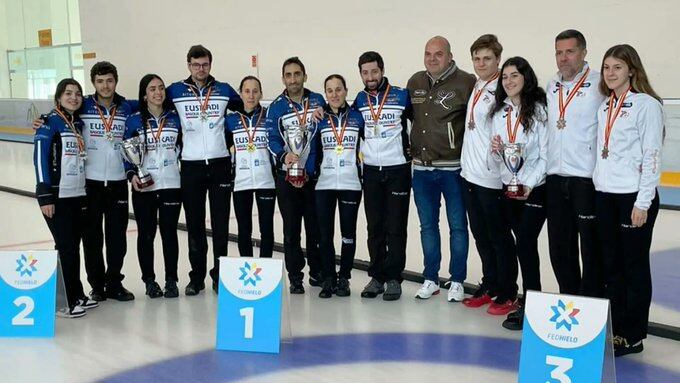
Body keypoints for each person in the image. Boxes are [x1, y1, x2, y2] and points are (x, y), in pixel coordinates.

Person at [594, 44, 663, 357]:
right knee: (612, 266)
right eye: (607, 67)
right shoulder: (605, 106)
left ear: (631, 70)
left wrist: (643, 202)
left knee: (633, 267)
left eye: (617, 67)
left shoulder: (646, 105)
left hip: (634, 198)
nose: (610, 73)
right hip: (605, 196)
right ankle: (618, 329)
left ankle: (633, 335)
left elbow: (651, 155)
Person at [166, 45, 243, 295]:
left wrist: (227, 140)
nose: (201, 69)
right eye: (196, 64)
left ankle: (219, 276)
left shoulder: (224, 90)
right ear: (188, 65)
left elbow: (245, 111)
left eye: (205, 64)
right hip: (190, 167)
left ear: (211, 64)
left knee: (221, 226)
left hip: (220, 165)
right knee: (195, 226)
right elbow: (152, 108)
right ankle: (196, 277)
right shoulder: (175, 91)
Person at [407, 36, 476, 302]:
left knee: (458, 226)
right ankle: (430, 278)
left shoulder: (466, 82)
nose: (432, 59)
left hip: (453, 169)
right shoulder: (415, 82)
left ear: (449, 55)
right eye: (428, 54)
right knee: (427, 226)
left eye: (438, 54)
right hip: (422, 170)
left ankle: (457, 280)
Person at [545, 30, 605, 298]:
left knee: (591, 249)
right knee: (559, 248)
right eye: (559, 52)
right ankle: (569, 302)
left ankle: (591, 305)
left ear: (583, 53)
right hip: (556, 178)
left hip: (586, 179)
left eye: (570, 52)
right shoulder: (552, 85)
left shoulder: (600, 84)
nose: (563, 58)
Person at [489, 57, 548, 327]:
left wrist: (529, 184)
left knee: (526, 243)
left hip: (535, 190)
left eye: (515, 75)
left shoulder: (538, 111)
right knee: (517, 245)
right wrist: (496, 152)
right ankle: (527, 300)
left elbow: (546, 156)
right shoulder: (499, 113)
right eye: (505, 77)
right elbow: (497, 162)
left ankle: (532, 305)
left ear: (526, 77)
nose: (509, 81)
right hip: (508, 189)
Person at [33, 78, 99, 317]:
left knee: (73, 246)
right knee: (66, 247)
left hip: (77, 194)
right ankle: (65, 301)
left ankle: (77, 293)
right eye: (68, 93)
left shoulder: (76, 123)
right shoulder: (49, 123)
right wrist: (44, 194)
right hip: (57, 195)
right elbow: (40, 158)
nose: (74, 97)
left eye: (78, 93)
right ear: (58, 97)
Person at [460, 35, 516, 309]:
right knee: (481, 235)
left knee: (499, 237)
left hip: (491, 178)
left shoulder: (502, 89)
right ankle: (491, 283)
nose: (481, 63)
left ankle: (508, 291)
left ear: (498, 59)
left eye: (487, 58)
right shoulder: (477, 85)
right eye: (477, 58)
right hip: (469, 175)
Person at [352, 51, 412, 301]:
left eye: (374, 71)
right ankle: (376, 277)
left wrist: (414, 149)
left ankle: (394, 279)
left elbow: (421, 122)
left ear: (382, 70)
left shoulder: (401, 95)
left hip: (397, 169)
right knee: (375, 226)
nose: (370, 77)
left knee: (396, 227)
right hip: (372, 171)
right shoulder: (359, 99)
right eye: (365, 73)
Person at [266, 57, 324, 294]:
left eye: (297, 74)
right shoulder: (276, 107)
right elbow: (270, 138)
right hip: (287, 178)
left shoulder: (319, 101)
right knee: (291, 230)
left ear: (305, 76)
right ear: (283, 79)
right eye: (288, 75)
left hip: (313, 178)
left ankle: (317, 273)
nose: (293, 79)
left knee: (315, 228)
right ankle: (295, 276)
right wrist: (283, 156)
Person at [80, 61, 136, 302]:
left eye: (109, 80)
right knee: (92, 238)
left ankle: (114, 282)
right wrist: (43, 118)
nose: (105, 85)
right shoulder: (82, 105)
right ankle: (97, 286)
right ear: (93, 83)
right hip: (89, 183)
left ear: (116, 81)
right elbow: (58, 114)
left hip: (117, 182)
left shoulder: (126, 107)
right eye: (100, 81)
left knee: (117, 238)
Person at [123, 74, 182, 299]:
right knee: (146, 235)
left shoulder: (175, 119)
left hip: (171, 184)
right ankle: (149, 280)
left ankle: (171, 280)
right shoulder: (134, 120)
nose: (157, 93)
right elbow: (125, 151)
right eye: (152, 89)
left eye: (160, 88)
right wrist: (131, 174)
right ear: (144, 94)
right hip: (144, 187)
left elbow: (183, 147)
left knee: (169, 234)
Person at [314, 74, 365, 298]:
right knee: (324, 235)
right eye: (330, 90)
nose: (334, 94)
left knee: (348, 234)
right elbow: (311, 150)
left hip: (350, 183)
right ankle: (328, 278)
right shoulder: (318, 119)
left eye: (338, 89)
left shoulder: (358, 118)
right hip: (324, 184)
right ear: (325, 93)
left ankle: (344, 277)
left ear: (346, 90)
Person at [225, 76, 276, 259]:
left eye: (255, 91)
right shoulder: (231, 121)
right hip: (241, 182)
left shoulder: (269, 116)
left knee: (266, 229)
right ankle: (246, 267)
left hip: (266, 181)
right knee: (244, 230)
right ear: (240, 94)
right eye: (247, 91)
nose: (251, 95)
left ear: (261, 93)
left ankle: (265, 268)